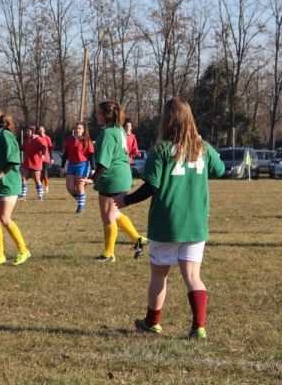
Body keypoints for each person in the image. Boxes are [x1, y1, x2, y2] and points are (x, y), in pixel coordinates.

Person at [114, 98, 225, 339]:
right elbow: (220, 169)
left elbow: (151, 186)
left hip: (166, 223)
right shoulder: (202, 147)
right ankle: (199, 327)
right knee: (193, 277)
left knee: (158, 275)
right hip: (195, 224)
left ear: (167, 120)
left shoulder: (162, 150)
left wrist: (127, 200)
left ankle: (152, 322)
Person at [91, 101, 147, 262]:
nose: (97, 115)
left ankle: (109, 254)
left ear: (105, 115)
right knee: (114, 213)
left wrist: (92, 178)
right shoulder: (120, 130)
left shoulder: (108, 133)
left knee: (108, 216)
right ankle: (138, 239)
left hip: (112, 177)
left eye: (99, 113)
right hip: (123, 174)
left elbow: (103, 161)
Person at [0, 108, 32, 266]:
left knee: (4, 218)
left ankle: (23, 250)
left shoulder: (5, 135)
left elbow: (13, 160)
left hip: (8, 184)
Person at [61, 122, 95, 214]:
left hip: (82, 165)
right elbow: (65, 154)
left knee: (80, 186)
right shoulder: (70, 139)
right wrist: (62, 166)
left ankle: (80, 207)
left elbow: (91, 155)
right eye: (76, 128)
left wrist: (93, 168)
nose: (77, 130)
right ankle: (81, 199)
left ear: (83, 130)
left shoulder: (87, 140)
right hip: (71, 164)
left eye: (79, 128)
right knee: (70, 187)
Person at [19, 126, 46, 201]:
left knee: (37, 181)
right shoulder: (27, 140)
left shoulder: (38, 139)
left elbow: (44, 147)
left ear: (33, 132)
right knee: (23, 178)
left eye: (28, 131)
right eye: (26, 131)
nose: (26, 133)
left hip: (36, 163)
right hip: (26, 163)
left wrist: (43, 155)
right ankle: (23, 196)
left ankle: (40, 196)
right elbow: (22, 148)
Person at [37, 126, 53, 193]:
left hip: (46, 158)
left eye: (42, 130)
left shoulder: (47, 138)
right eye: (40, 130)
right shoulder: (37, 138)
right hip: (38, 158)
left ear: (44, 130)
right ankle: (41, 187)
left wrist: (51, 158)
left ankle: (46, 186)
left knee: (45, 172)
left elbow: (50, 148)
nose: (41, 131)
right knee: (40, 173)